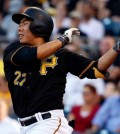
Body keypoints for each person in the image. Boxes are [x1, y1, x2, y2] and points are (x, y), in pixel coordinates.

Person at [3, 6, 120, 134]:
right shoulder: (13, 50)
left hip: (49, 122)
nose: (20, 27)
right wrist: (63, 39)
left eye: (24, 23)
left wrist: (117, 47)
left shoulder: (62, 55)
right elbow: (37, 54)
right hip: (24, 126)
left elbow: (97, 68)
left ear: (39, 26)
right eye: (20, 24)